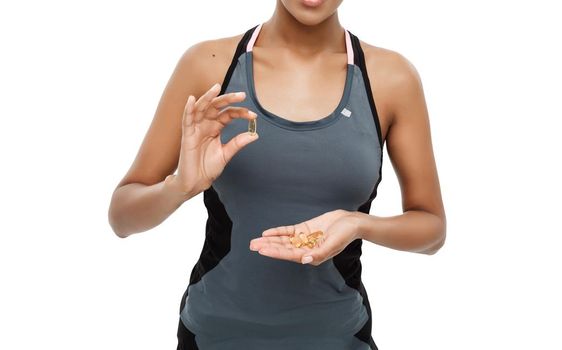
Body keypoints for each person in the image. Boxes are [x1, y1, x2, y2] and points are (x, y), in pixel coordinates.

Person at [107, 0, 447, 348]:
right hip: (213, 338)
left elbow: (431, 229)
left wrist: (358, 224)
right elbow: (122, 217)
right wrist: (179, 187)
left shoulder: (392, 78)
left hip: (339, 340)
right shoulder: (208, 65)